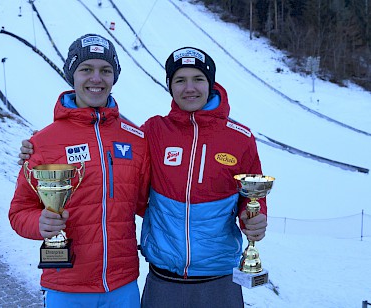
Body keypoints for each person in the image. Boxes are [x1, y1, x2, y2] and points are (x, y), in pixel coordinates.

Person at [18, 46, 268, 308]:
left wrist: (253, 217)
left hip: (219, 276)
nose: (189, 88)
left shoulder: (240, 138)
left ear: (211, 83)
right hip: (163, 276)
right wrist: (39, 147)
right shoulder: (152, 132)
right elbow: (129, 187)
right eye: (180, 80)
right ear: (170, 86)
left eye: (198, 79)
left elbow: (252, 196)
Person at [10, 33, 150, 308]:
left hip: (122, 285)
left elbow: (150, 203)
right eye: (86, 69)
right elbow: (19, 211)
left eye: (105, 71)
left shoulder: (136, 139)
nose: (96, 79)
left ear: (114, 77)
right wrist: (38, 222)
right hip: (66, 287)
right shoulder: (43, 142)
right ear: (72, 75)